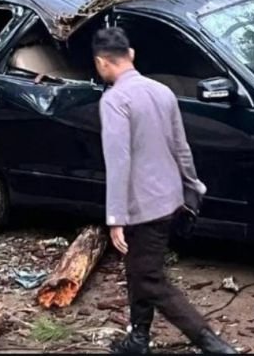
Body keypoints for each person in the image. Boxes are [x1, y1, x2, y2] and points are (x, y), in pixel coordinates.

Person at [93, 27, 236, 355]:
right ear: (131, 56)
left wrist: (115, 216)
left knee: (149, 278)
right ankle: (138, 339)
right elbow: (181, 147)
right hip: (169, 198)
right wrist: (192, 185)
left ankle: (209, 341)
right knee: (138, 269)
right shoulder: (162, 91)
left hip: (142, 206)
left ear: (102, 63)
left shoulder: (114, 101)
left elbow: (118, 162)